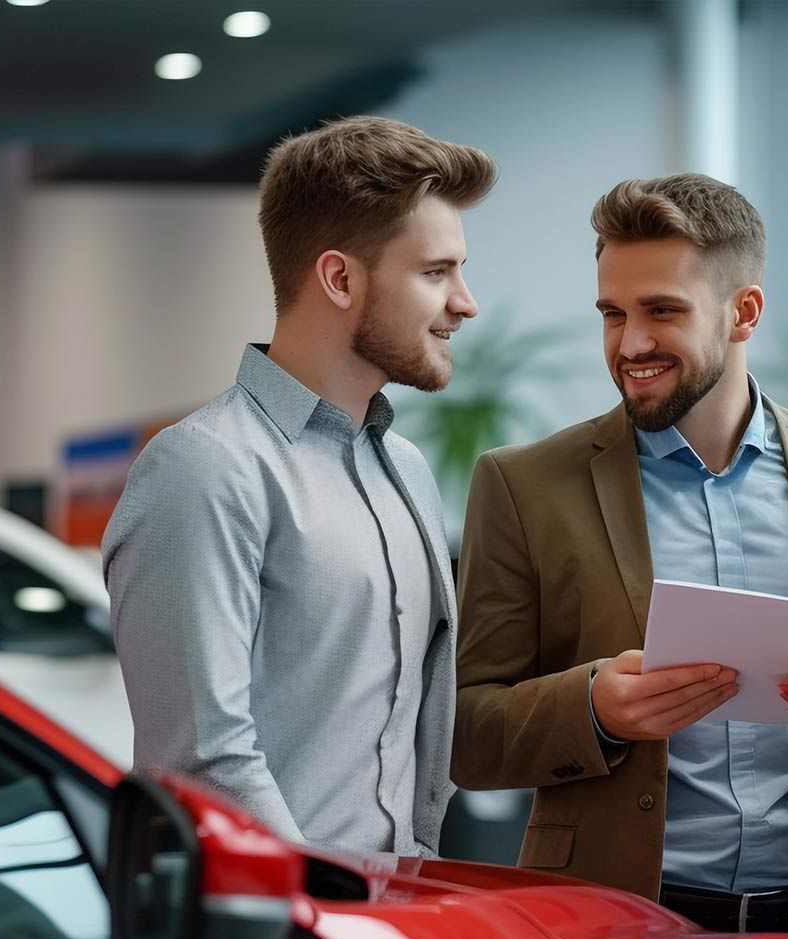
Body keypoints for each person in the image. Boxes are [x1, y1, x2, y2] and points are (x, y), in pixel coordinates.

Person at [453, 173, 788, 939]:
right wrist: (595, 708)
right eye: (612, 313)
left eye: (661, 310)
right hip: (611, 922)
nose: (629, 344)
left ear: (745, 313)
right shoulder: (524, 485)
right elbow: (466, 733)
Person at [102, 116, 495, 856]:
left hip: (395, 919)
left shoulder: (404, 467)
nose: (465, 302)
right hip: (281, 936)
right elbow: (199, 760)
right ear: (339, 277)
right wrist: (323, 909)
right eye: (436, 273)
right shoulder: (203, 469)